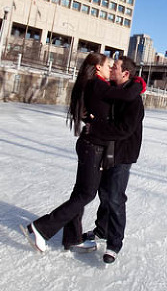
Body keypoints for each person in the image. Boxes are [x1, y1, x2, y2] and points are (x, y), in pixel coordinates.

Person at [21, 52, 145, 254]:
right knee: (86, 194)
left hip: (94, 147)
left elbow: (120, 103)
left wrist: (93, 120)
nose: (111, 68)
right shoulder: (98, 85)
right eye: (109, 65)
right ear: (98, 68)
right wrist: (139, 84)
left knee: (81, 194)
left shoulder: (98, 85)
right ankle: (42, 228)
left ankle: (73, 238)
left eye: (114, 66)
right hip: (93, 148)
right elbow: (125, 95)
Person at [81, 56, 145, 264]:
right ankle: (101, 231)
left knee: (115, 196)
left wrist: (95, 128)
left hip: (123, 153)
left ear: (125, 73)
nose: (111, 69)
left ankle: (115, 243)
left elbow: (124, 129)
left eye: (115, 67)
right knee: (104, 192)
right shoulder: (113, 91)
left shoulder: (133, 99)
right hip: (107, 149)